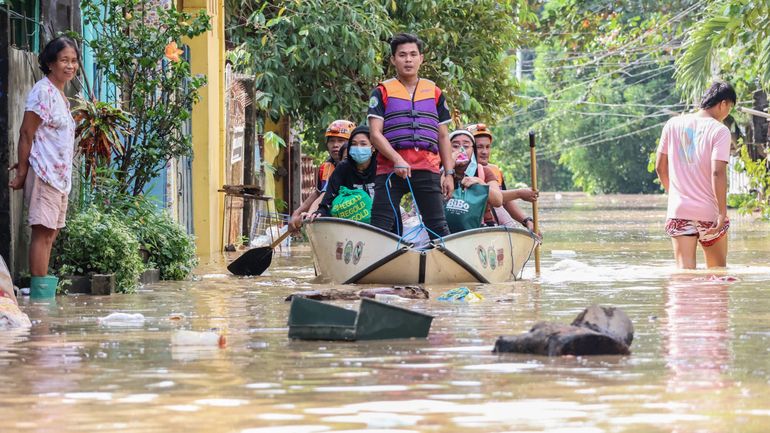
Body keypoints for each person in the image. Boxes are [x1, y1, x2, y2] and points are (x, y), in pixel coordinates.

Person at [8, 36, 79, 290]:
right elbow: (26, 133)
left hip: (60, 178)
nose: (70, 66)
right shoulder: (42, 91)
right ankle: (40, 298)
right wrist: (22, 169)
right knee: (42, 232)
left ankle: (43, 296)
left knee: (51, 233)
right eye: (64, 60)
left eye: (73, 61)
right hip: (44, 173)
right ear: (50, 63)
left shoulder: (60, 94)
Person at [368, 33, 454, 238]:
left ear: (421, 58)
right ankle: (374, 265)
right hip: (390, 169)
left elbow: (443, 137)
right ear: (393, 59)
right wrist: (397, 159)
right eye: (402, 55)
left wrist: (449, 173)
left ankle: (444, 266)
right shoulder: (381, 92)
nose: (408, 59)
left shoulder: (434, 92)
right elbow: (374, 134)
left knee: (438, 226)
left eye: (413, 54)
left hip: (427, 167)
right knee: (380, 226)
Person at [655, 81, 735, 269]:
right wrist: (722, 212)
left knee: (684, 276)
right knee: (717, 275)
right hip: (709, 212)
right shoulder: (720, 131)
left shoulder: (673, 124)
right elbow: (717, 172)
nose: (727, 113)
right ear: (723, 103)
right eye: (730, 108)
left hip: (679, 210)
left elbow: (660, 167)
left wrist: (675, 196)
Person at [467, 123, 539, 232]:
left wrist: (526, 220)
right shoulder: (462, 170)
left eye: (487, 147)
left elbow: (505, 201)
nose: (484, 152)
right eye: (479, 147)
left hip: (495, 224)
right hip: (472, 226)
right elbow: (498, 198)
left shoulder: (494, 170)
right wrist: (520, 193)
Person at [289, 119, 355, 230]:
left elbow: (324, 194)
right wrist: (297, 213)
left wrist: (309, 214)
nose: (335, 145)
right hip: (328, 219)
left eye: (340, 140)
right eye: (332, 141)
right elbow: (318, 193)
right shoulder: (326, 167)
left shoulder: (358, 166)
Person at [304, 125, 377, 221]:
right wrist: (319, 212)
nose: (358, 148)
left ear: (373, 147)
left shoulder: (382, 167)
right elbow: (327, 198)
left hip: (379, 222)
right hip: (347, 224)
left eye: (363, 144)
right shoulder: (342, 168)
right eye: (354, 144)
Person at [448, 129, 503, 219]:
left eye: (466, 146)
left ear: (473, 150)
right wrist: (449, 169)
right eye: (455, 146)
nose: (461, 150)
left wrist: (480, 183)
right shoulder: (439, 173)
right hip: (445, 229)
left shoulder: (484, 171)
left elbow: (498, 201)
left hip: (477, 229)